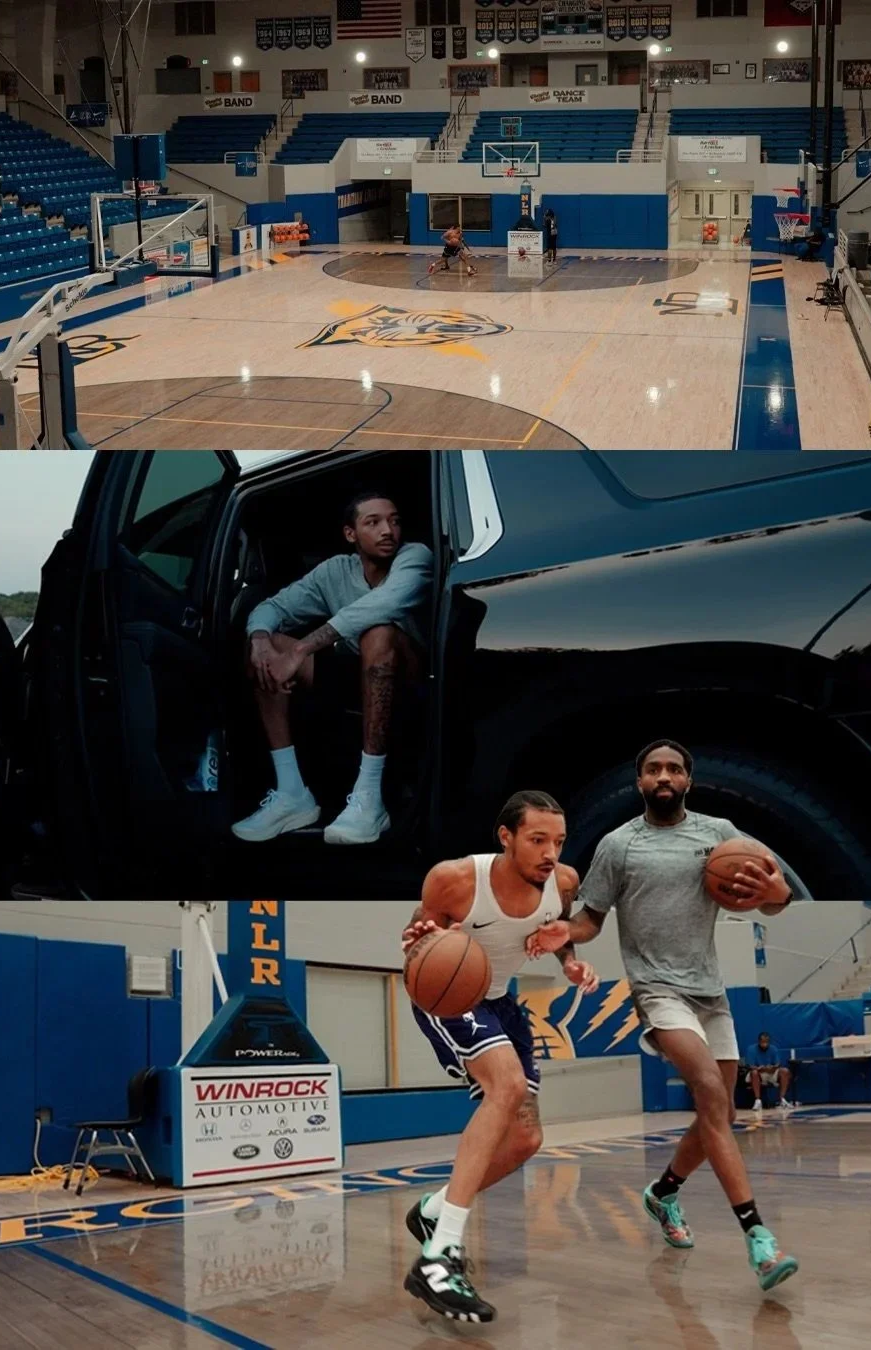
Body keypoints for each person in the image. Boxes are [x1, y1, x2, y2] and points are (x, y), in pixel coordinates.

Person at [527, 739, 800, 1292]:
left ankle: (664, 1191)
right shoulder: (618, 845)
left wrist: (778, 894)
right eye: (654, 769)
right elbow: (591, 919)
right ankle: (759, 1238)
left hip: (711, 992)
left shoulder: (721, 833)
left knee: (714, 1113)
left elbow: (773, 897)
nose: (664, 776)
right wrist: (565, 934)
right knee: (709, 1090)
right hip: (656, 990)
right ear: (640, 782)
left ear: (688, 781)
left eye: (674, 768)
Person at [400, 789, 598, 1324]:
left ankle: (434, 1209)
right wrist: (419, 937)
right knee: (505, 1088)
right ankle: (439, 1258)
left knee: (527, 1138)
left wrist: (571, 963)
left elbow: (561, 932)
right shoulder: (455, 879)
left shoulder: (564, 882)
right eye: (537, 840)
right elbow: (418, 939)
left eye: (557, 840)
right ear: (506, 837)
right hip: (451, 996)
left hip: (503, 1003)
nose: (550, 852)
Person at [232, 491, 431, 846]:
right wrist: (261, 641)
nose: (388, 530)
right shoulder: (335, 571)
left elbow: (381, 604)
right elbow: (272, 607)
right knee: (265, 649)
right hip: (354, 674)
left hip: (413, 681)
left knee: (378, 631)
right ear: (351, 534)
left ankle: (369, 799)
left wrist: (303, 648)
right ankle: (292, 792)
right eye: (373, 522)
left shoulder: (415, 557)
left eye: (395, 520)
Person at [744, 1032, 792, 1116]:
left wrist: (772, 1068)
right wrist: (760, 1068)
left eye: (766, 1042)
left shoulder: (773, 1049)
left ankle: (782, 1100)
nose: (764, 1044)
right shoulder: (751, 1049)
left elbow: (777, 1064)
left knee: (785, 1071)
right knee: (754, 1073)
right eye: (762, 1042)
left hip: (770, 1073)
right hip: (758, 1073)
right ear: (759, 1041)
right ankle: (758, 1101)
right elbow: (750, 1066)